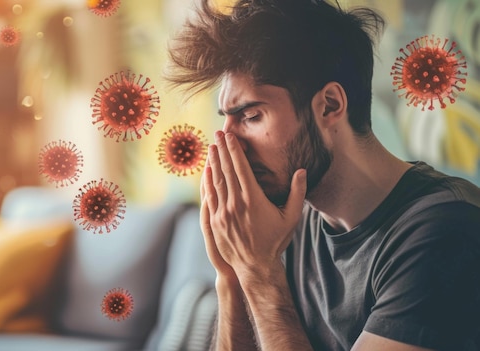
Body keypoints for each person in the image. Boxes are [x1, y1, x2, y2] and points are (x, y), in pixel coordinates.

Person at [164, 0, 480, 350]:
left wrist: (260, 273)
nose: (228, 144)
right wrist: (231, 274)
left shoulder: (446, 232)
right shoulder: (286, 218)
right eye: (226, 118)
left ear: (329, 105)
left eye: (251, 116)